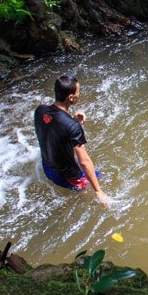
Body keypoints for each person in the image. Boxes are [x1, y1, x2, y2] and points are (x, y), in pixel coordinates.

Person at [34, 75, 107, 204]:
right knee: (100, 177)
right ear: (71, 98)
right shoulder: (73, 128)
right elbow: (84, 161)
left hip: (47, 167)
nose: (79, 95)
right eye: (78, 92)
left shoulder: (40, 110)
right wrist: (98, 191)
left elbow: (54, 129)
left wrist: (72, 121)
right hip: (65, 178)